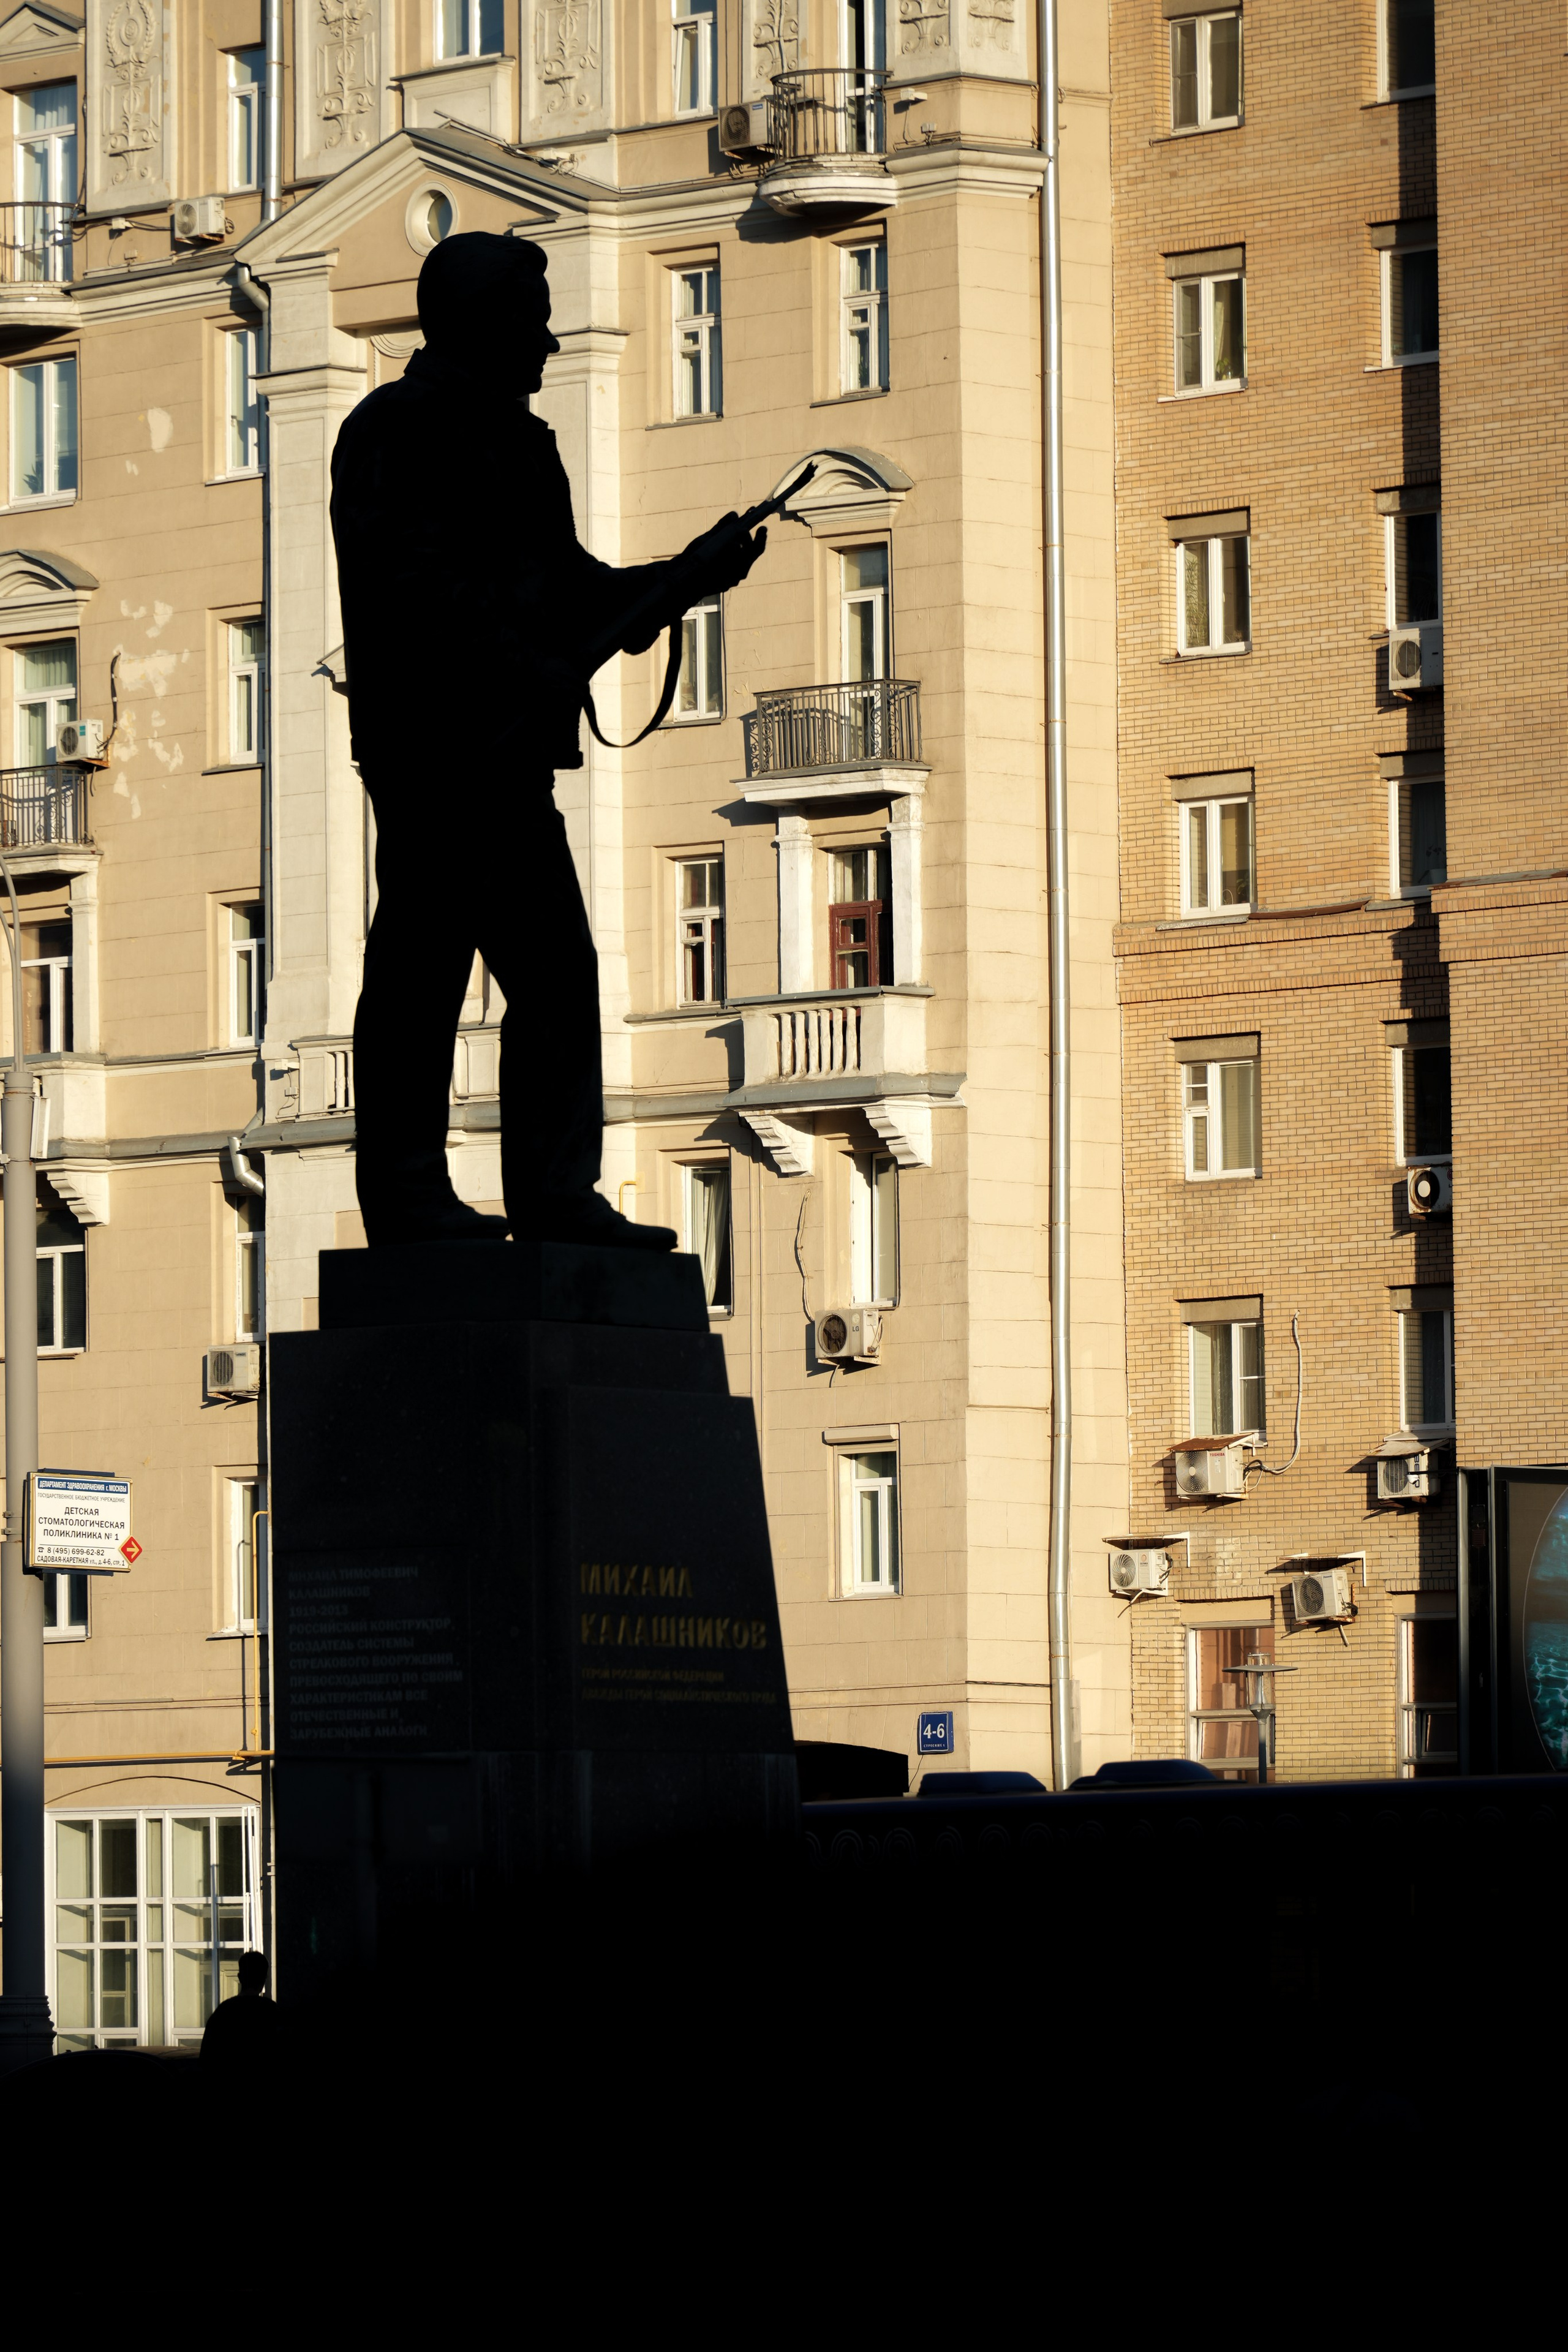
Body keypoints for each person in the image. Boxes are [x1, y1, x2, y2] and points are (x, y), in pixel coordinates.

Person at [330, 232, 768, 1248]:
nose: (549, 339)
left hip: (516, 753)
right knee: (422, 972)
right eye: (533, 318)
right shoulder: (393, 429)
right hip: (436, 747)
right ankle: (405, 1198)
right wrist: (526, 659)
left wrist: (681, 578)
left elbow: (568, 587)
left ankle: (554, 1196)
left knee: (559, 976)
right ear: (480, 322)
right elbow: (415, 585)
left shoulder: (528, 447)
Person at [200, 1947, 282, 2068]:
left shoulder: (223, 2012)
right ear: (264, 1979)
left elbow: (206, 2059)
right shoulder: (273, 2012)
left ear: (240, 1977)